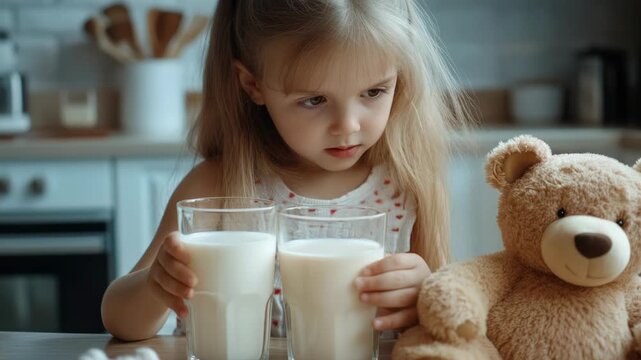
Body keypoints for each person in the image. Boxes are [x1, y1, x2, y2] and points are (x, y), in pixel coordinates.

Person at [101, 0, 472, 341]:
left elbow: (452, 322)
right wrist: (155, 285)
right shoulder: (217, 188)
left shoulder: (407, 187)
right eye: (314, 100)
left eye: (374, 92)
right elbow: (121, 321)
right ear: (252, 85)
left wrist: (425, 296)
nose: (348, 125)